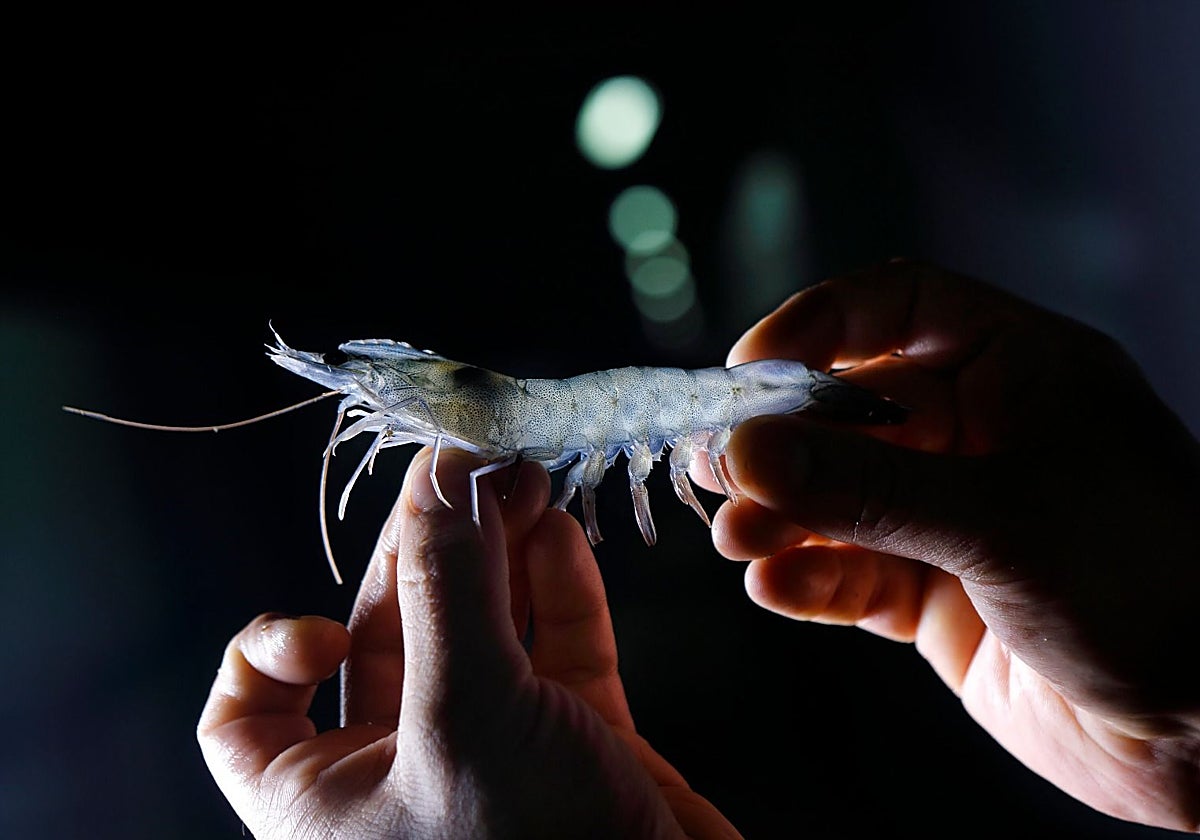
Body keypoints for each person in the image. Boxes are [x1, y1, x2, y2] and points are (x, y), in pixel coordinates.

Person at [197, 259, 1200, 837]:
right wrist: (1172, 741)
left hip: (725, 402)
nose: (375, 416)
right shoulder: (488, 414)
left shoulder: (500, 432)